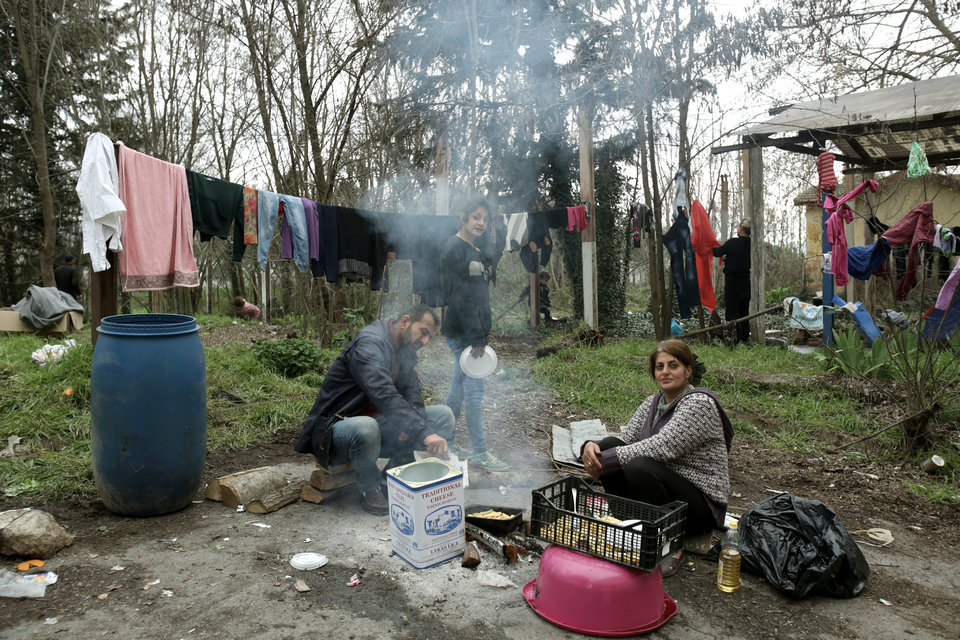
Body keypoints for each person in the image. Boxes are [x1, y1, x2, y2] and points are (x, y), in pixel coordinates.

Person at [580, 339, 734, 576]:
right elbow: (626, 439)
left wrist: (607, 460)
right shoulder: (653, 403)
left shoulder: (699, 404)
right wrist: (592, 447)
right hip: (665, 492)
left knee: (639, 467)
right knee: (610, 446)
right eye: (659, 367)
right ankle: (629, 525)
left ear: (688, 371)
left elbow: (662, 447)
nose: (665, 372)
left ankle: (672, 541)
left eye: (673, 365)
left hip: (698, 506)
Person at [293, 305, 455, 515]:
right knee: (367, 427)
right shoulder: (369, 343)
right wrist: (423, 433)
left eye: (429, 338)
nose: (424, 341)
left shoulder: (404, 351)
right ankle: (369, 488)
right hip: (338, 431)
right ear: (405, 321)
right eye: (423, 332)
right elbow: (383, 393)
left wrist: (416, 426)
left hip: (379, 428)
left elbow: (413, 397)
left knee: (443, 416)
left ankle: (393, 476)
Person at [441, 198, 509, 471]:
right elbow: (460, 298)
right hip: (462, 333)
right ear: (463, 217)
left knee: (458, 389)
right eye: (476, 217)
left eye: (484, 218)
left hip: (472, 331)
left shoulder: (475, 249)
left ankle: (445, 441)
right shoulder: (454, 248)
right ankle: (481, 451)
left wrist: (499, 225)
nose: (480, 223)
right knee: (474, 390)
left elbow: (480, 294)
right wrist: (476, 336)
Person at [712, 219, 751, 343]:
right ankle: (744, 337)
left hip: (732, 282)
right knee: (744, 310)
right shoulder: (752, 244)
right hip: (746, 281)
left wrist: (709, 243)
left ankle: (731, 339)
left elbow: (717, 252)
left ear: (741, 228)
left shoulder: (732, 243)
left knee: (731, 311)